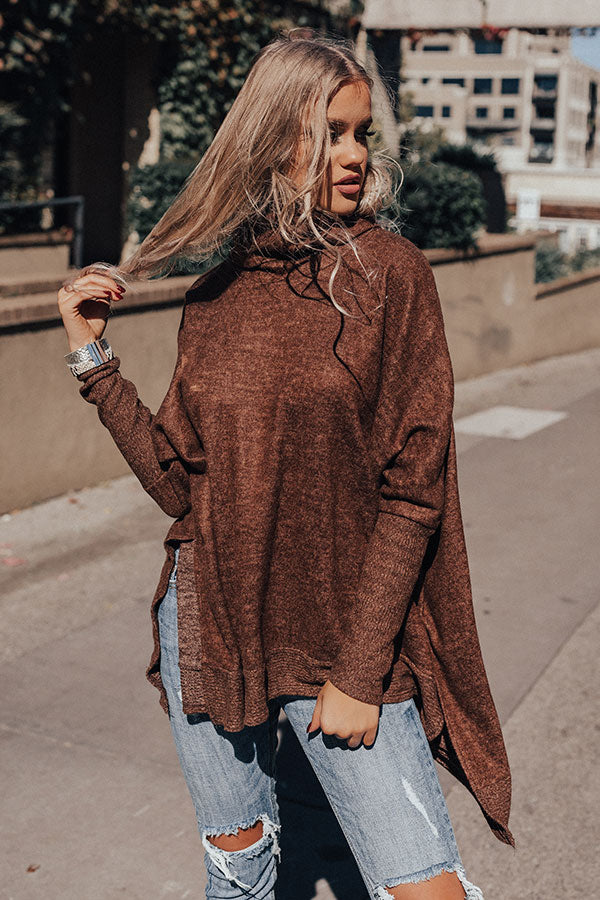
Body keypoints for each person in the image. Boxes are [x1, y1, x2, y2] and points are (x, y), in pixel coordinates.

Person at [57, 30, 514, 900]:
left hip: (343, 639)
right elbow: (181, 487)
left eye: (361, 133)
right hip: (215, 624)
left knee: (425, 889)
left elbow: (413, 494)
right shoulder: (217, 297)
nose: (354, 155)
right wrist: (93, 360)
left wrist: (359, 672)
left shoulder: (391, 276)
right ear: (274, 138)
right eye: (330, 133)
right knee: (241, 874)